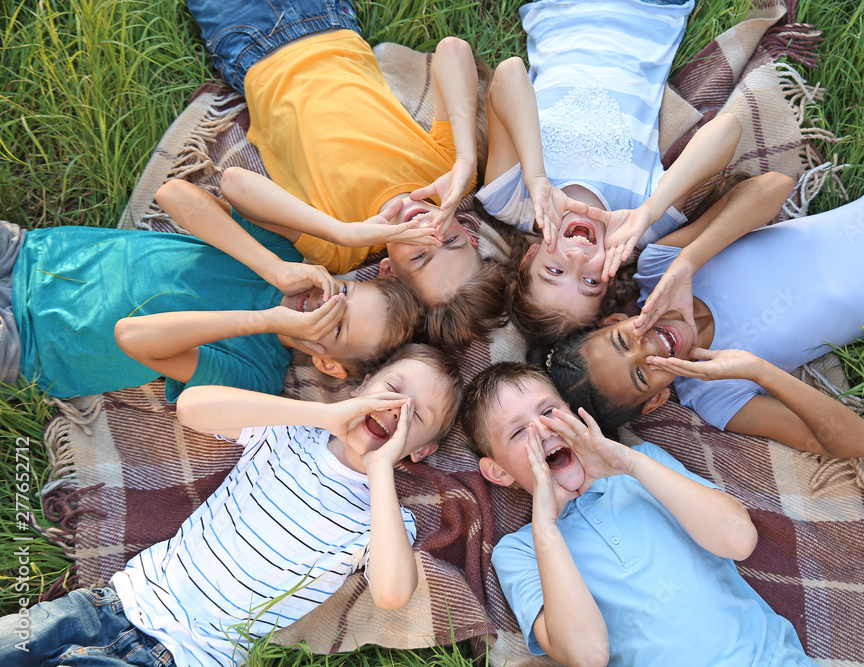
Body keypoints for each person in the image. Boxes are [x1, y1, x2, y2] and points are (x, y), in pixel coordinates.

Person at [0, 343, 463, 666]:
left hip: (184, 657)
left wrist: (382, 469)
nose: (396, 410)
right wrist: (326, 413)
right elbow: (195, 406)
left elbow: (391, 592)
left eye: (415, 416)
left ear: (420, 451)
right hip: (112, 603)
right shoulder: (287, 432)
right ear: (361, 387)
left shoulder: (383, 517)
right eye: (392, 392)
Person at [545, 134, 864, 457]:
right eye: (643, 376)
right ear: (659, 400)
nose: (651, 350)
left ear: (612, 323)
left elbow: (774, 187)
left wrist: (689, 261)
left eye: (625, 342)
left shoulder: (659, 266)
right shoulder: (717, 396)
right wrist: (758, 370)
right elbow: (861, 443)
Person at [185, 0, 508, 348]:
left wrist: (342, 231)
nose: (428, 232)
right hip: (330, 20)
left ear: (388, 271)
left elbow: (234, 183)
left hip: (252, 47)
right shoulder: (446, 176)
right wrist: (465, 158)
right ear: (470, 234)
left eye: (420, 255)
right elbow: (453, 50)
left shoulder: (337, 249)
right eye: (450, 241)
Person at [460, 362, 817, 666]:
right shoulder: (521, 551)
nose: (542, 430)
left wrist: (630, 463)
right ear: (499, 472)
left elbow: (740, 540)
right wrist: (548, 527)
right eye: (518, 432)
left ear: (572, 413)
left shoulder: (645, 464)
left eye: (549, 411)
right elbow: (586, 655)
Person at [0, 176, 422, 401]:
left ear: (328, 364)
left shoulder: (254, 375)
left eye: (335, 325)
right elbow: (175, 195)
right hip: (31, 253)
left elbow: (133, 337)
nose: (323, 303)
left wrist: (267, 320)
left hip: (30, 341)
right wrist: (274, 268)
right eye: (342, 295)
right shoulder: (280, 257)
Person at [476, 0, 743, 343]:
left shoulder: (514, 201)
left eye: (554, 271)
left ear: (530, 257)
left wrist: (537, 177)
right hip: (649, 14)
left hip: (558, 10)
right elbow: (728, 130)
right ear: (612, 276)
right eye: (590, 282)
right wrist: (650, 210)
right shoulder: (640, 222)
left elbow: (509, 72)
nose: (577, 258)